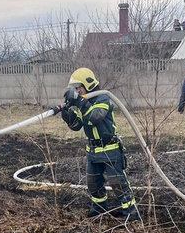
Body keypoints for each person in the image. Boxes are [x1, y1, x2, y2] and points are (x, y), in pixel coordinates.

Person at [55, 67, 140, 222]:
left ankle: (131, 215)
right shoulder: (84, 104)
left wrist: (80, 102)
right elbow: (77, 126)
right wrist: (68, 115)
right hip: (93, 152)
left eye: (78, 87)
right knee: (93, 184)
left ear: (88, 85)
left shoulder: (103, 99)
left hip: (110, 150)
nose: (77, 91)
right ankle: (99, 212)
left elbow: (95, 116)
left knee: (118, 184)